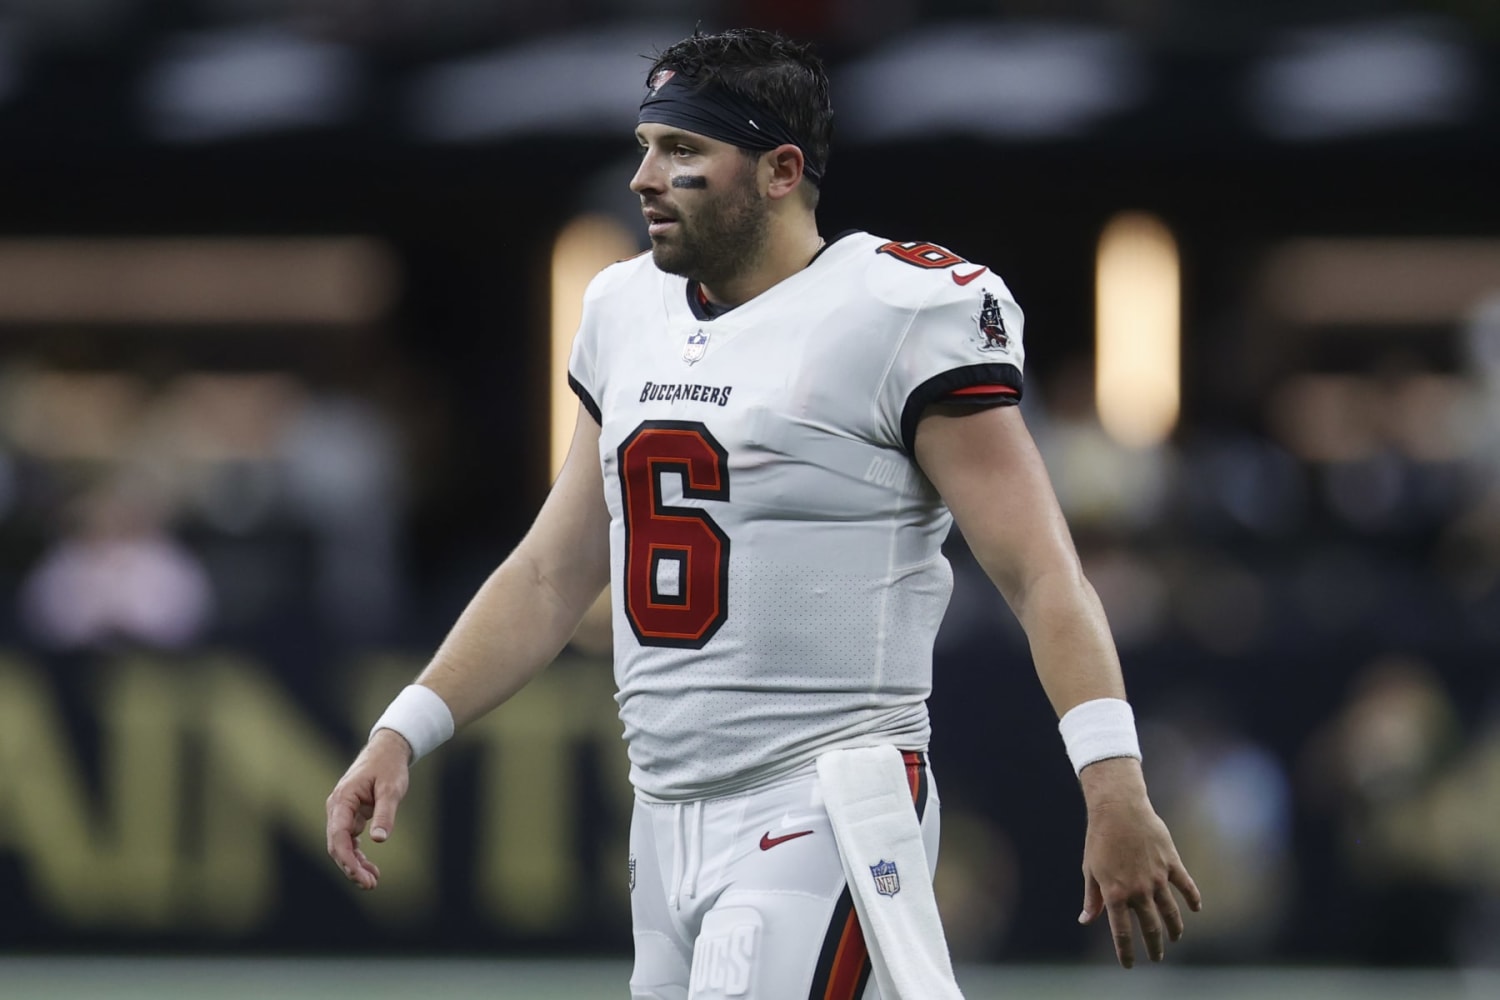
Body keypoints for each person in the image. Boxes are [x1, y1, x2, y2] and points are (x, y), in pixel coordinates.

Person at [326, 27, 1200, 998]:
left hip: (825, 795)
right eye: (647, 145)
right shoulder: (624, 309)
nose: (645, 177)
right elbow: (552, 568)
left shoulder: (899, 310)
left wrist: (1112, 776)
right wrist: (405, 727)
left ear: (782, 169)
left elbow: (1042, 573)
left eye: (684, 151)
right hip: (662, 817)